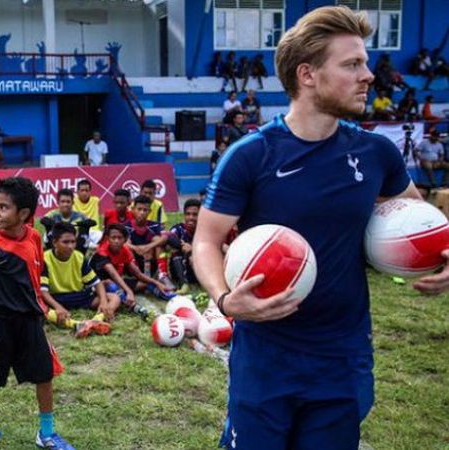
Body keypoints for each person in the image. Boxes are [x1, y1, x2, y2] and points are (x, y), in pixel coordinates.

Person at [192, 8, 448, 450]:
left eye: (365, 63)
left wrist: (440, 256)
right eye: (352, 64)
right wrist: (225, 299)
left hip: (342, 354)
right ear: (307, 74)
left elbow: (418, 218)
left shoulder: (375, 153)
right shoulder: (252, 155)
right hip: (266, 353)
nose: (368, 75)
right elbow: (206, 240)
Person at [0, 177, 72, 449]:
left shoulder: (33, 237)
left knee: (44, 374)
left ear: (24, 214)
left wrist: (44, 306)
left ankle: (47, 434)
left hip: (30, 321)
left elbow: (34, 276)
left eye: (3, 207)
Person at [40, 222, 114, 338]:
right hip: (55, 299)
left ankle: (96, 320)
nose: (70, 246)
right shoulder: (44, 259)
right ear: (54, 242)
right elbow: (43, 291)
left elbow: (97, 283)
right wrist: (58, 307)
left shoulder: (79, 257)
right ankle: (76, 324)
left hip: (78, 295)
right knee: (38, 307)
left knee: (113, 297)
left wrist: (104, 302)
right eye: (65, 242)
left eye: (73, 242)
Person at [90, 224, 174, 311]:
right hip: (98, 286)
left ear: (125, 240)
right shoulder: (102, 251)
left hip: (117, 282)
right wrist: (129, 291)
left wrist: (157, 283)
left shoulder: (125, 250)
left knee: (145, 283)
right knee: (110, 283)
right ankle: (134, 308)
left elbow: (137, 273)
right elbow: (113, 274)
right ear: (108, 238)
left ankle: (169, 296)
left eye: (119, 238)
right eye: (113, 238)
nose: (116, 241)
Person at [126, 196, 170, 286]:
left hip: (151, 259)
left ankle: (163, 275)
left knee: (158, 240)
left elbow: (165, 237)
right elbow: (123, 243)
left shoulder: (154, 225)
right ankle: (137, 275)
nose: (142, 212)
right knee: (126, 244)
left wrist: (148, 247)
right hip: (132, 264)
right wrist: (136, 248)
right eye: (139, 209)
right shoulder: (126, 226)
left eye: (145, 210)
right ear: (133, 210)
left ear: (149, 212)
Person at [166, 199, 201, 291]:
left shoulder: (205, 231)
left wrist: (193, 250)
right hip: (180, 270)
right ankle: (183, 285)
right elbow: (169, 237)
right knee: (175, 251)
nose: (191, 217)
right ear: (184, 215)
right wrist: (183, 246)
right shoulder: (178, 228)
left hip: (200, 268)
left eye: (195, 214)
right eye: (188, 214)